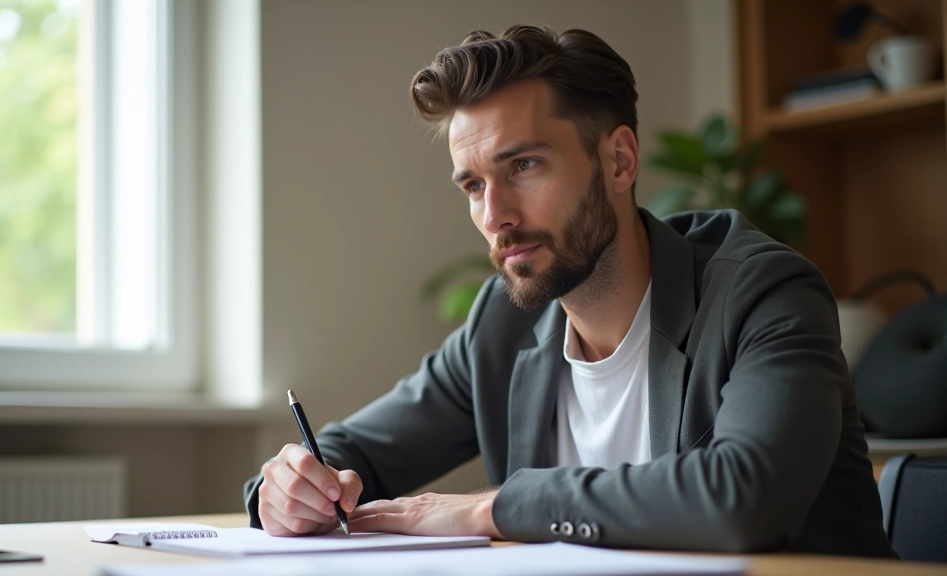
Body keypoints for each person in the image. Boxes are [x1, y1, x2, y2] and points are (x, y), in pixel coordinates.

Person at [243, 25, 895, 556]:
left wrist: (493, 508)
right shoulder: (501, 326)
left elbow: (743, 501)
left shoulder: (764, 294)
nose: (493, 214)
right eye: (472, 184)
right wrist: (287, 488)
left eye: (523, 165)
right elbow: (346, 455)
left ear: (618, 161)